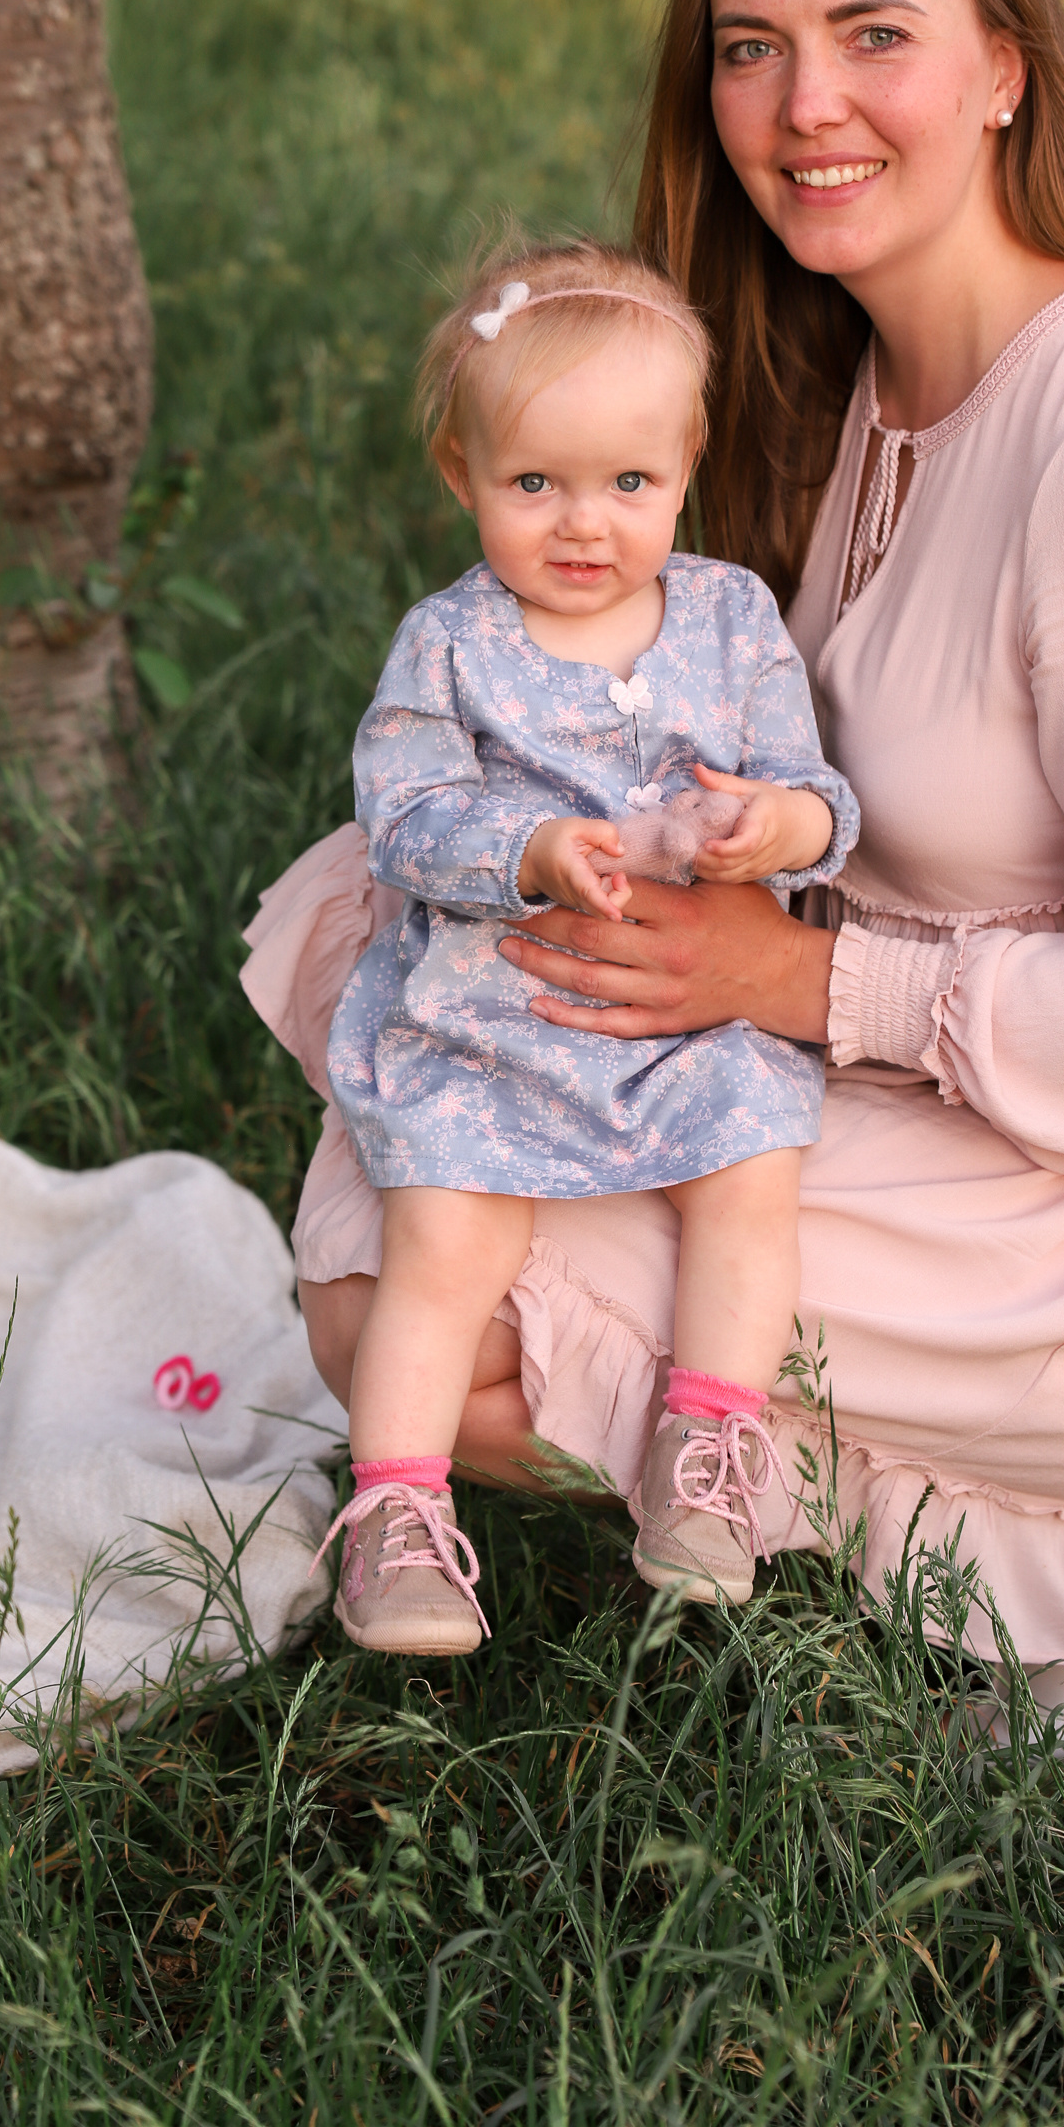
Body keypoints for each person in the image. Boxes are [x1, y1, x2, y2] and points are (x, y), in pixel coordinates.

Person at [244, 0, 1064, 1722]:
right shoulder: (870, 378)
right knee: (394, 1108)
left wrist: (783, 976)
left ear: (1007, 68)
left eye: (876, 34)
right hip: (961, 1079)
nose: (804, 107)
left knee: (409, 1321)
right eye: (749, 47)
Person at [291, 240, 857, 1655]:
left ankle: (707, 1448)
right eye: (532, 484)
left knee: (751, 1164)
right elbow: (406, 818)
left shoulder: (730, 621)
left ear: (684, 468)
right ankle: (398, 1515)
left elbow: (820, 795)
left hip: (687, 1015)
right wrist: (527, 850)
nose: (582, 525)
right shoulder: (451, 646)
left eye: (627, 484)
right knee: (447, 1233)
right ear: (458, 474)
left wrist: (769, 827)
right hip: (500, 1002)